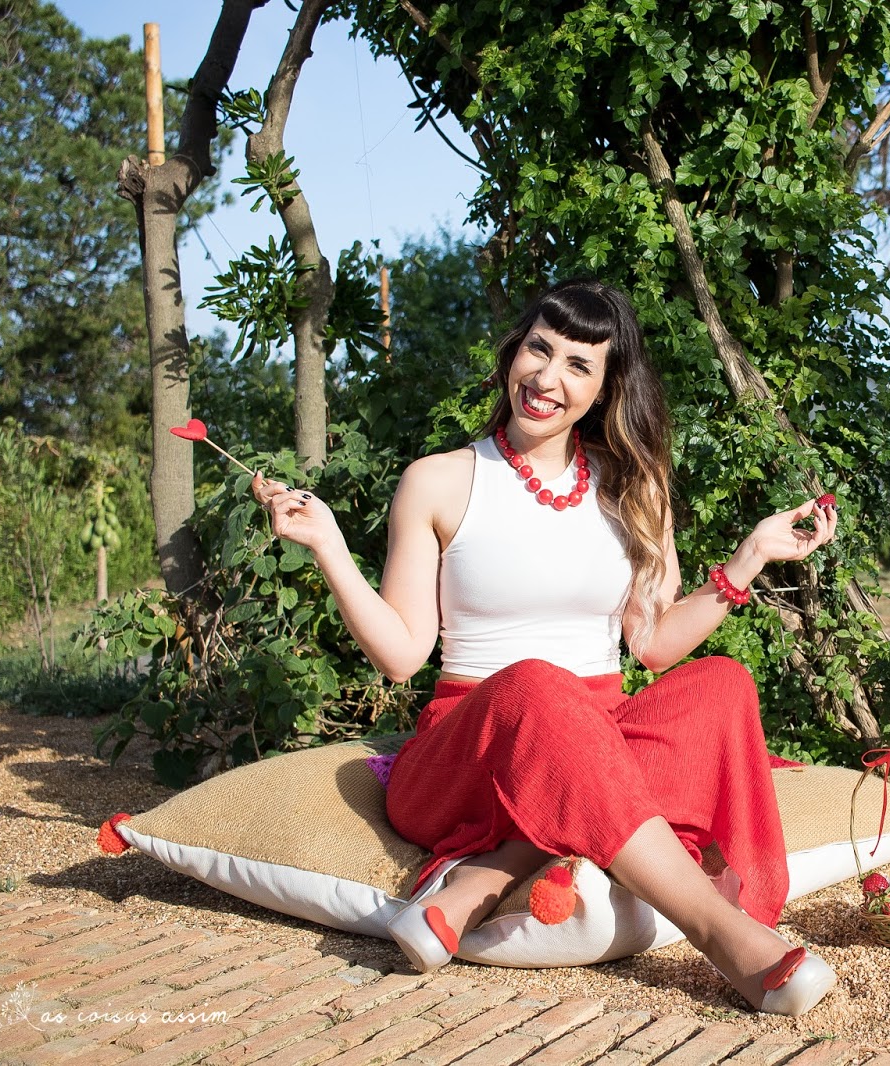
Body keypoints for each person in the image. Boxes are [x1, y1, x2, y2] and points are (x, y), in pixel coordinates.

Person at [252, 279, 840, 1016]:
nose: (548, 377)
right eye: (540, 349)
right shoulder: (438, 481)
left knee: (720, 683)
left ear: (604, 389)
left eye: (578, 365)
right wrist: (330, 546)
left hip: (596, 739)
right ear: (513, 353)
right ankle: (720, 931)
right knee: (539, 682)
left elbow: (652, 646)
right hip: (470, 749)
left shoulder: (635, 487)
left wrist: (749, 558)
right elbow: (402, 656)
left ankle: (496, 871)